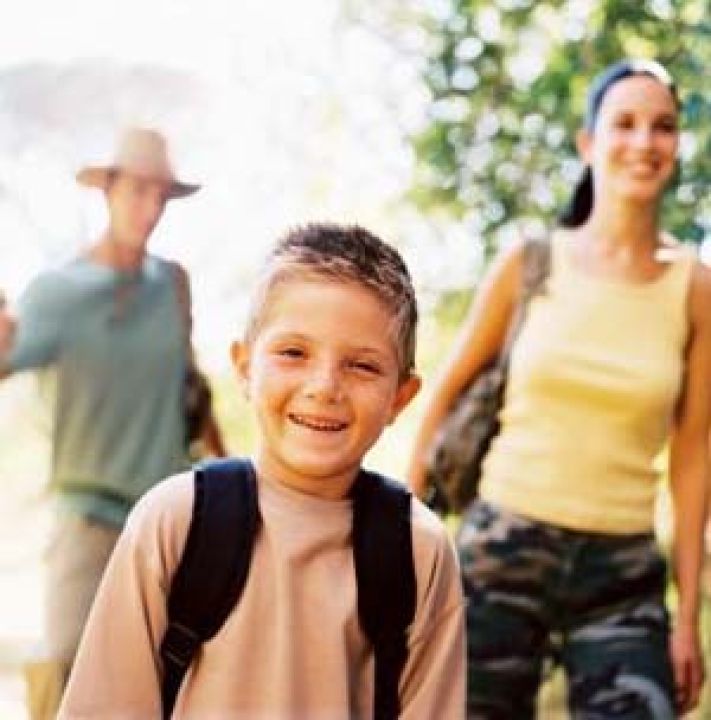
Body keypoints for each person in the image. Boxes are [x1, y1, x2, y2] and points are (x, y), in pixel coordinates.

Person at [57, 223, 466, 718]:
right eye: (294, 353)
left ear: (401, 396)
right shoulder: (175, 521)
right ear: (245, 367)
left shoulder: (419, 550)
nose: (324, 386)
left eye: (362, 366)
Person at [408, 59, 711, 718]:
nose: (642, 141)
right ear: (587, 143)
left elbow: (692, 456)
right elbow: (440, 397)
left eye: (661, 127)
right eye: (623, 123)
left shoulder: (692, 287)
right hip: (501, 548)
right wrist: (408, 542)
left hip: (621, 567)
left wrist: (686, 615)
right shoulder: (529, 262)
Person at [0, 126, 226, 718]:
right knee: (67, 664)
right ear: (109, 191)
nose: (150, 209)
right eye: (138, 192)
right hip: (88, 520)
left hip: (167, 520)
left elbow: (194, 399)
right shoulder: (59, 292)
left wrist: (236, 485)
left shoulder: (172, 285)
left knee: (162, 683)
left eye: (161, 196)